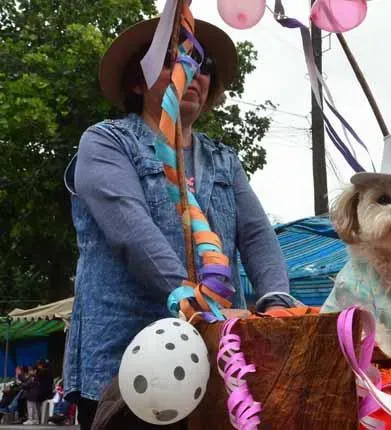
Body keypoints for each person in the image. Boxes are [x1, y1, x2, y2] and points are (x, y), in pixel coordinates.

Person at [63, 17, 293, 429]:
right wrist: (197, 305)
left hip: (217, 364)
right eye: (172, 60)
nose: (193, 72)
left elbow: (258, 236)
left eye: (203, 65)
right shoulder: (106, 142)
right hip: (127, 365)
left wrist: (276, 303)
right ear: (138, 82)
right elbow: (132, 233)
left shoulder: (224, 160)